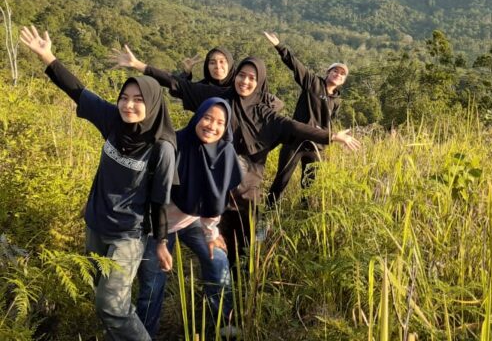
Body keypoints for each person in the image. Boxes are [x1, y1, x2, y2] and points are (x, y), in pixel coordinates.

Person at [111, 46, 361, 263]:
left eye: (252, 78)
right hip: (216, 186)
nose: (245, 81)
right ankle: (217, 288)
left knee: (244, 246)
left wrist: (332, 136)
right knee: (218, 245)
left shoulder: (265, 113)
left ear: (259, 81)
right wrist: (139, 65)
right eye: (241, 75)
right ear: (235, 75)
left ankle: (240, 287)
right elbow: (178, 84)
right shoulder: (220, 99)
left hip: (247, 189)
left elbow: (294, 126)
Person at [20, 26, 176, 341]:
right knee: (102, 294)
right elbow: (78, 91)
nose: (128, 105)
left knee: (111, 305)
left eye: (138, 100)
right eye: (124, 98)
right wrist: (47, 56)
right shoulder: (113, 121)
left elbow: (160, 200)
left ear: (152, 104)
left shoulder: (161, 148)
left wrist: (160, 242)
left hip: (128, 235)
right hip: (95, 224)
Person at [137, 97, 242, 339]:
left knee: (218, 260)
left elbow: (216, 197)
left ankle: (225, 325)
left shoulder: (224, 152)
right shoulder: (174, 146)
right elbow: (154, 197)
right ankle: (144, 335)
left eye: (220, 122)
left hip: (191, 219)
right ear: (197, 117)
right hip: (157, 225)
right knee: (153, 285)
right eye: (207, 118)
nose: (212, 126)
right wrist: (161, 241)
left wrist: (211, 234)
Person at [263, 32, 348, 207]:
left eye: (342, 74)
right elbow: (295, 65)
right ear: (328, 73)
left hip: (316, 146)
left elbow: (328, 121)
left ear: (343, 81)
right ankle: (268, 213)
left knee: (309, 185)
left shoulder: (337, 101)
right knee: (282, 179)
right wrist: (279, 46)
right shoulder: (312, 83)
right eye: (335, 71)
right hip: (295, 140)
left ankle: (304, 213)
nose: (338, 74)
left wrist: (333, 135)